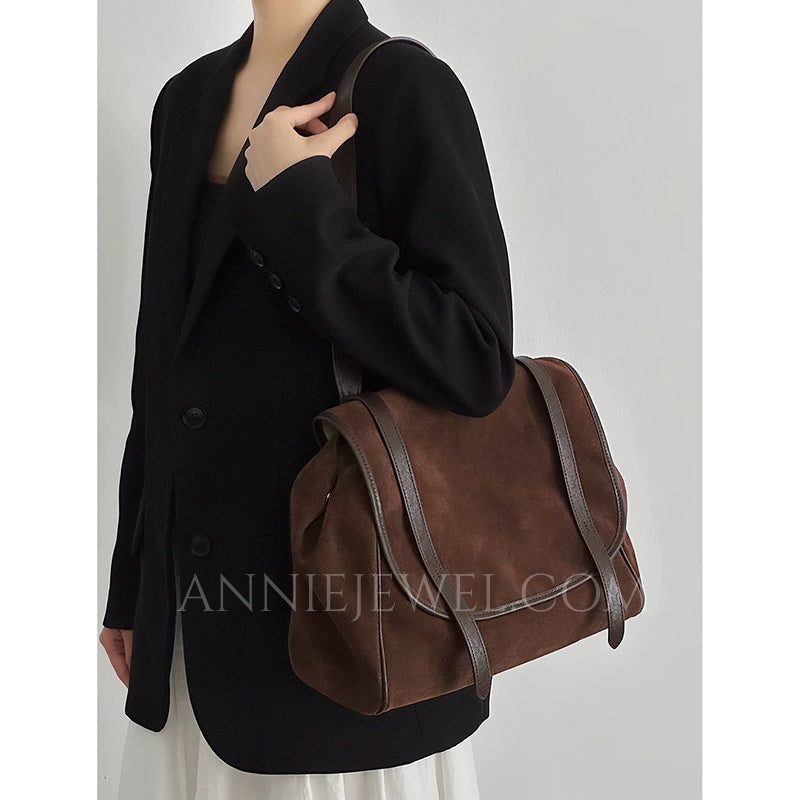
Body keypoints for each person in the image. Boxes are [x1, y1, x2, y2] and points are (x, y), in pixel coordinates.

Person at [99, 0, 515, 797]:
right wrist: (132, 581)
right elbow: (161, 365)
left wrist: (299, 204)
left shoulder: (403, 87)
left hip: (353, 639)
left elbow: (474, 360)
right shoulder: (185, 101)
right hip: (192, 631)